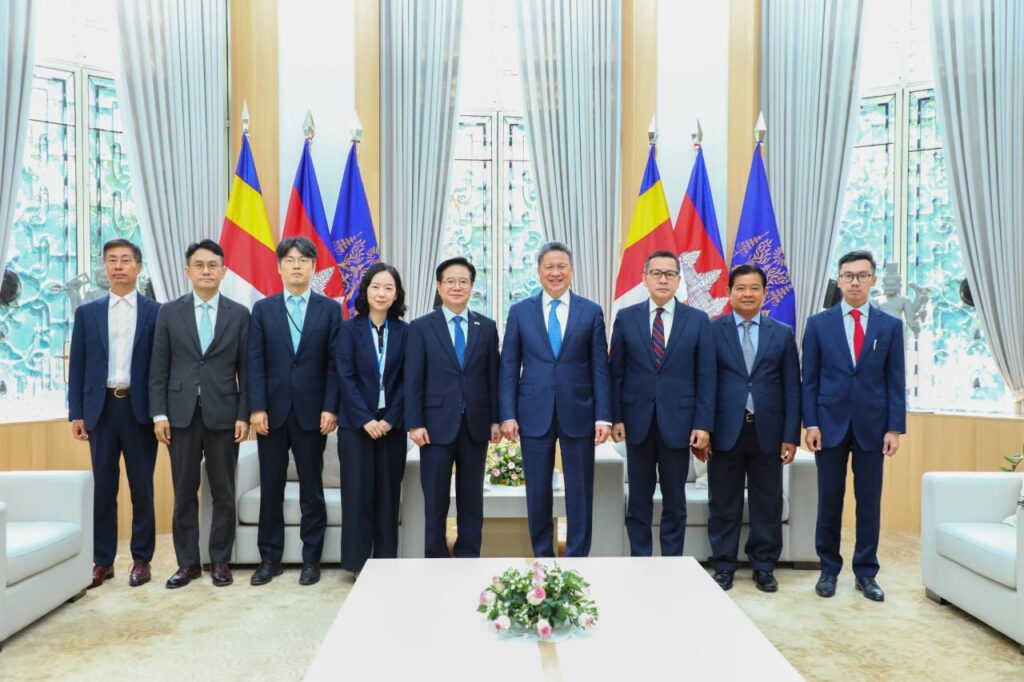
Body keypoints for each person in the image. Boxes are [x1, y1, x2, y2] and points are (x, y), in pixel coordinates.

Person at [802, 249, 906, 602]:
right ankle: (828, 570)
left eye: (862, 276)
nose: (855, 282)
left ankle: (866, 572)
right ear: (839, 280)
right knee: (829, 501)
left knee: (869, 503)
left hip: (873, 428)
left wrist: (894, 428)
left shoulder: (889, 326)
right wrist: (811, 423)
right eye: (848, 276)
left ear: (873, 280)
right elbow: (809, 380)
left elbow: (895, 381)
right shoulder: (818, 324)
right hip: (828, 426)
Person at [499, 242, 612, 558]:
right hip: (533, 412)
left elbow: (600, 368)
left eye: (561, 266)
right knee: (537, 492)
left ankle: (577, 559)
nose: (555, 272)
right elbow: (509, 366)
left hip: (580, 411)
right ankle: (543, 558)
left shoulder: (590, 311)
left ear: (571, 271)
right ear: (538, 271)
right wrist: (507, 414)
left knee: (580, 491)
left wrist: (603, 416)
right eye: (549, 267)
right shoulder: (520, 312)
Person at [149, 240, 250, 588]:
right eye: (199, 265)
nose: (206, 271)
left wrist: (244, 414)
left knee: (224, 491)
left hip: (225, 415)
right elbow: (158, 369)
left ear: (223, 271)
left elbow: (247, 371)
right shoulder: (169, 312)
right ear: (187, 271)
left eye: (212, 265)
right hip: (180, 416)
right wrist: (159, 414)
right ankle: (188, 563)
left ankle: (220, 560)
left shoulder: (240, 314)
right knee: (184, 492)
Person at [247, 236, 341, 586]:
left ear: (314, 267)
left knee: (311, 490)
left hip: (312, 414)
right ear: (279, 267)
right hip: (271, 415)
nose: (297, 265)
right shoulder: (263, 309)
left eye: (303, 260)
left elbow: (335, 364)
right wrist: (256, 407)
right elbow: (254, 361)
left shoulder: (330, 309)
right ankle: (269, 559)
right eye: (290, 259)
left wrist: (331, 407)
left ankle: (311, 560)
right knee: (271, 488)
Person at [68, 239, 160, 589]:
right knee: (104, 488)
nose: (118, 266)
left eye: (125, 260)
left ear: (138, 267)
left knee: (142, 487)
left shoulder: (156, 312)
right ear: (104, 267)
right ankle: (103, 561)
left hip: (140, 410)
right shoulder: (87, 313)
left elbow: (162, 367)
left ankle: (142, 559)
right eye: (111, 260)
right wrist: (76, 412)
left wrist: (161, 412)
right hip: (101, 409)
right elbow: (78, 365)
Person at [609, 250, 714, 557]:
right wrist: (617, 417)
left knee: (675, 501)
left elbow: (706, 376)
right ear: (645, 278)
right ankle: (640, 561)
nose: (663, 279)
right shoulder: (626, 317)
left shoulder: (697, 320)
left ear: (679, 280)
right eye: (656, 273)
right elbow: (616, 373)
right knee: (638, 501)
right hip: (637, 423)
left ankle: (672, 563)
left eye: (670, 274)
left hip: (679, 424)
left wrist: (703, 424)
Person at [707, 264, 800, 592]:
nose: (747, 294)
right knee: (723, 501)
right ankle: (724, 565)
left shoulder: (782, 332)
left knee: (767, 502)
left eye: (754, 288)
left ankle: (763, 566)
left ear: (764, 293)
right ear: (729, 292)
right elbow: (705, 383)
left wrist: (791, 435)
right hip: (724, 430)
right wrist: (704, 429)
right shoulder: (712, 330)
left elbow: (792, 387)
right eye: (741, 288)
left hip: (768, 431)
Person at [406, 257, 500, 558]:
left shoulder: (486, 327)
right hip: (434, 426)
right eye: (450, 281)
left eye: (463, 281)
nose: (457, 287)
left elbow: (493, 378)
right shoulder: (421, 327)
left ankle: (468, 556)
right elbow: (413, 379)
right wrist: (414, 423)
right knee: (435, 499)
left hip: (475, 425)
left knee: (472, 499)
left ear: (472, 286)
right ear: (439, 286)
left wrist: (495, 420)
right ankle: (435, 558)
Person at [336, 263, 408, 574]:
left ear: (396, 295)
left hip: (392, 427)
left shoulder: (406, 332)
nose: (381, 293)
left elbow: (409, 381)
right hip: (356, 427)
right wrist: (365, 419)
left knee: (388, 497)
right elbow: (345, 377)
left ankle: (385, 564)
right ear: (365, 291)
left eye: (388, 288)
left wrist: (390, 419)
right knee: (357, 495)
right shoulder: (348, 330)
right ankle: (357, 564)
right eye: (376, 286)